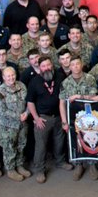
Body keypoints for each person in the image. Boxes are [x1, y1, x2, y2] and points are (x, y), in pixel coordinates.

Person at [25, 55, 63, 183]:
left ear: (52, 65)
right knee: (40, 146)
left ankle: (60, 161)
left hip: (58, 117)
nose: (46, 68)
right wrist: (36, 118)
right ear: (39, 68)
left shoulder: (59, 76)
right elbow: (30, 102)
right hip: (43, 119)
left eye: (48, 65)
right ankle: (40, 170)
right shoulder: (34, 82)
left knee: (59, 142)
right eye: (43, 66)